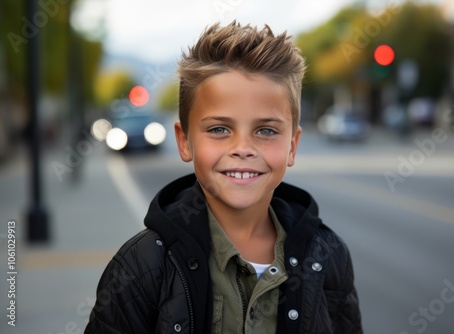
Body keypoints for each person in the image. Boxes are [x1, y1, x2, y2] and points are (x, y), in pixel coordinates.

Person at [85, 21, 362, 334]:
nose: (243, 148)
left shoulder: (328, 257)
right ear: (185, 141)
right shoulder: (140, 268)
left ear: (292, 146)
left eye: (266, 130)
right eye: (219, 129)